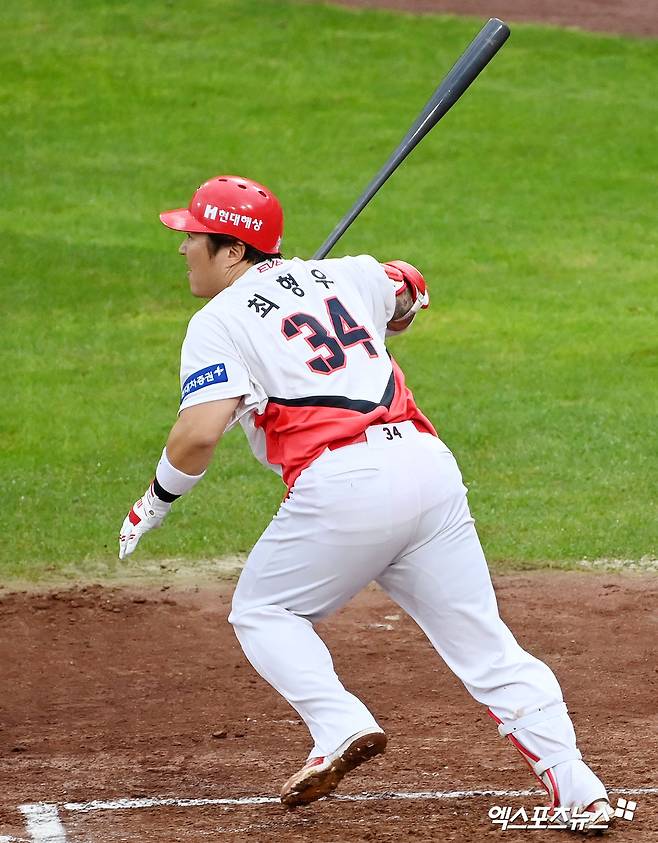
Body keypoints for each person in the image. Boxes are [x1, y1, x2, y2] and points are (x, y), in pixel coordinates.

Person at [119, 175, 613, 831]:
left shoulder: (218, 323)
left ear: (233, 251)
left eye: (194, 238)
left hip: (345, 485)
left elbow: (198, 434)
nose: (183, 248)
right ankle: (579, 790)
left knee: (264, 610)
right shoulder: (348, 274)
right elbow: (409, 287)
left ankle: (338, 722)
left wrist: (155, 500)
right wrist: (380, 301)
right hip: (428, 471)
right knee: (488, 648)